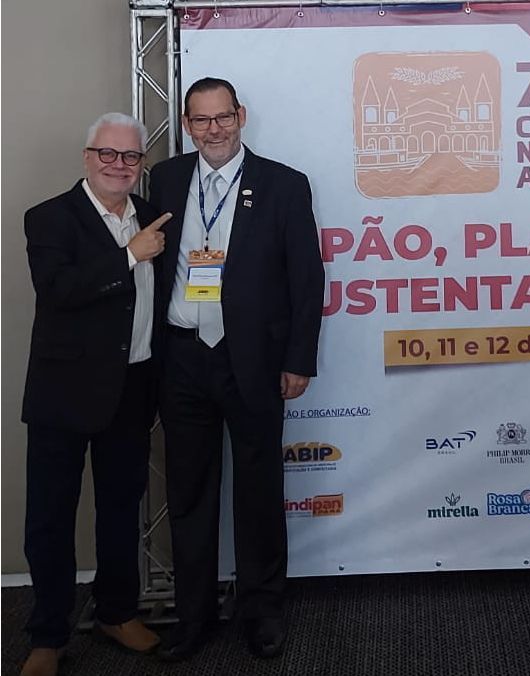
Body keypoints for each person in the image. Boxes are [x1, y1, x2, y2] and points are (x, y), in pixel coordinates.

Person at [149, 77, 324, 661]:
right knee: (190, 493)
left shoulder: (283, 184)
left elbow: (306, 278)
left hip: (252, 360)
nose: (213, 130)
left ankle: (262, 610)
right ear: (187, 125)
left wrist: (300, 358)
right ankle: (194, 617)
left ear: (240, 116)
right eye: (201, 121)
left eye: (222, 117)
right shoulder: (167, 179)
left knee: (257, 490)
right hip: (182, 359)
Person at [20, 113, 171, 676]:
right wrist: (129, 255)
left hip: (132, 387)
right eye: (107, 154)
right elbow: (58, 291)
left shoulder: (154, 216)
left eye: (130, 157)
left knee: (119, 510)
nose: (119, 165)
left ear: (140, 164)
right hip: (64, 392)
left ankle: (116, 611)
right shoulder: (50, 218)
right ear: (87, 157)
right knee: (51, 519)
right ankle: (48, 635)